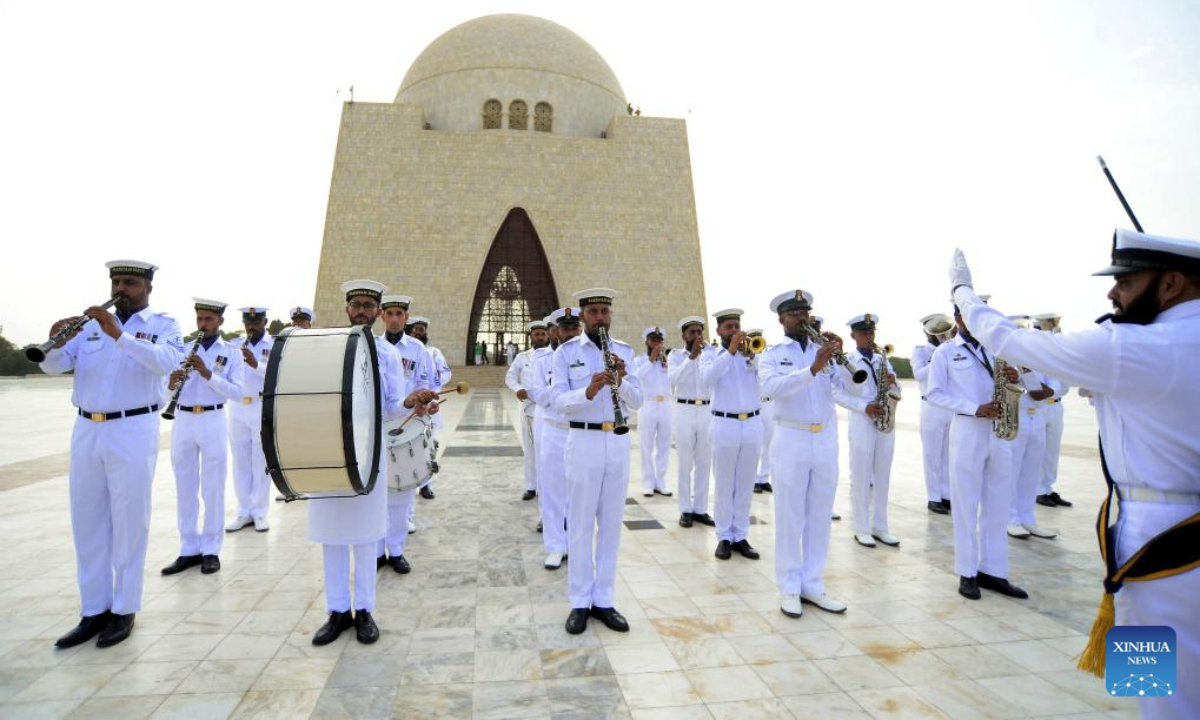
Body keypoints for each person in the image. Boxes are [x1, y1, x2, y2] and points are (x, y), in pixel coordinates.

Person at [951, 233, 1200, 718]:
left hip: (1161, 541)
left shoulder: (1136, 345)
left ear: (1171, 283)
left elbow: (1010, 340)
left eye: (1125, 282)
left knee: (1160, 691)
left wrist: (964, 293)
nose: (1113, 294)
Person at [42, 260, 185, 649]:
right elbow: (55, 367)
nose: (122, 288)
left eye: (131, 283)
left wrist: (118, 334)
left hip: (133, 428)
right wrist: (54, 340)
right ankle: (94, 609)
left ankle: (124, 608)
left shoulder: (163, 325)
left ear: (148, 288)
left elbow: (167, 361)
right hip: (87, 427)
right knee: (87, 520)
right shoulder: (88, 326)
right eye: (117, 281)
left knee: (128, 519)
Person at [309, 280, 433, 646]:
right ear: (347, 309)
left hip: (370, 449)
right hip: (332, 447)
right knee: (332, 533)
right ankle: (336, 611)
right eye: (356, 304)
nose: (362, 310)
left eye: (368, 305)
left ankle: (363, 609)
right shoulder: (326, 347)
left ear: (378, 312)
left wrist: (410, 402)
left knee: (365, 534)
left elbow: (393, 404)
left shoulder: (387, 354)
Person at [551, 289, 642, 634]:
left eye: (605, 311)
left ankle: (604, 599)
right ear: (583, 316)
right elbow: (559, 401)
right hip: (583, 440)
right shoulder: (566, 353)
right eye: (594, 312)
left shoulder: (624, 352)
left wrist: (619, 380)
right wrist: (587, 392)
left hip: (616, 442)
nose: (600, 317)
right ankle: (579, 601)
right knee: (580, 523)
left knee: (611, 524)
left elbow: (638, 400)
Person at [925, 301, 1028, 602]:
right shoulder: (945, 352)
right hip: (968, 431)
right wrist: (974, 408)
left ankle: (993, 570)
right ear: (958, 317)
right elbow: (933, 394)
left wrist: (1014, 377)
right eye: (968, 314)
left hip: (999, 433)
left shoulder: (997, 348)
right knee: (966, 504)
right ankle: (967, 571)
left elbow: (1020, 381)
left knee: (998, 504)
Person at [759, 289, 849, 617]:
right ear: (781, 319)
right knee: (790, 515)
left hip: (824, 438)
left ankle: (813, 583)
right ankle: (789, 587)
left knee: (820, 514)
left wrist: (840, 355)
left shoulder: (822, 349)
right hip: (791, 437)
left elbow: (850, 387)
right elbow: (770, 389)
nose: (802, 317)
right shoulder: (772, 354)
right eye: (795, 312)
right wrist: (812, 369)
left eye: (805, 311)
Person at [162, 298, 243, 577]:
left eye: (208, 320)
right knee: (185, 486)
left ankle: (211, 549)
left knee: (213, 487)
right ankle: (188, 548)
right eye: (199, 319)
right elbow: (164, 393)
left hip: (213, 419)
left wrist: (208, 374)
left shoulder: (232, 353)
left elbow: (238, 393)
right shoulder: (182, 349)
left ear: (220, 321)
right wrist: (171, 384)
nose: (203, 325)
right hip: (182, 418)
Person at [376, 295, 433, 569]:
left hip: (406, 423)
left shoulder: (418, 349)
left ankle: (396, 550)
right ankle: (375, 551)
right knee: (375, 492)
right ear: (382, 316)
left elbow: (424, 381)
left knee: (401, 492)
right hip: (376, 425)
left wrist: (422, 401)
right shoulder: (371, 346)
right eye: (390, 313)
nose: (395, 318)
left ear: (406, 318)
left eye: (400, 313)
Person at [701, 308, 763, 561]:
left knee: (746, 482)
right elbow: (707, 379)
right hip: (724, 423)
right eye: (728, 327)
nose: (734, 331)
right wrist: (730, 352)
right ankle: (724, 536)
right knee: (725, 483)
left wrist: (751, 355)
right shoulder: (711, 355)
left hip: (752, 423)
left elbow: (764, 377)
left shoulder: (753, 353)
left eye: (736, 326)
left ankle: (741, 535)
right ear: (718, 331)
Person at [839, 314, 902, 548]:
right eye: (864, 333)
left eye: (871, 332)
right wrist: (862, 406)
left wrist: (894, 382)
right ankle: (861, 527)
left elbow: (898, 389)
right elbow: (836, 392)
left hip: (885, 418)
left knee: (883, 476)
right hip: (862, 419)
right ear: (853, 335)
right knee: (862, 476)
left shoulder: (882, 358)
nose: (869, 336)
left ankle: (881, 526)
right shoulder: (846, 361)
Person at [529, 309, 581, 569]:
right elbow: (538, 394)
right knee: (551, 490)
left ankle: (574, 543)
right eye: (565, 329)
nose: (570, 333)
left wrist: (565, 396)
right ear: (556, 332)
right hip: (553, 429)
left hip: (579, 430)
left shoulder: (588, 357)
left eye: (574, 328)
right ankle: (555, 546)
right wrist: (568, 395)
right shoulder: (541, 361)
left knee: (578, 491)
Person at [226, 307, 273, 532]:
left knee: (260, 460)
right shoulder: (234, 345)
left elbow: (277, 375)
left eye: (255, 322)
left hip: (260, 404)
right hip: (237, 407)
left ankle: (260, 511)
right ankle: (244, 510)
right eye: (247, 322)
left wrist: (255, 363)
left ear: (265, 321)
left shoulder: (272, 345)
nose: (251, 327)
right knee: (240, 460)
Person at [1004, 351, 1058, 541]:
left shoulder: (1036, 360)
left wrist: (1024, 376)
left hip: (1037, 417)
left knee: (1031, 472)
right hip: (1015, 415)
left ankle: (1027, 518)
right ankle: (1010, 519)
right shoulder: (1001, 360)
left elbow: (1047, 392)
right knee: (1012, 471)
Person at [668, 316, 716, 528]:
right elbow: (672, 380)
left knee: (704, 462)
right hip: (684, 409)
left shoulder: (712, 355)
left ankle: (701, 508)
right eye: (692, 333)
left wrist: (703, 356)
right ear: (683, 336)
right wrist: (691, 359)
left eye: (699, 332)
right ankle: (685, 509)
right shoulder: (676, 356)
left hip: (706, 409)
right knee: (685, 462)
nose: (696, 336)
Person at [1030, 313, 1073, 508]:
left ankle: (1048, 488)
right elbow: (1037, 387)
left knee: (1052, 450)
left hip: (1056, 405)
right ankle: (1038, 490)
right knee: (1038, 449)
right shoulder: (1032, 356)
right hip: (1040, 407)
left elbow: (1064, 384)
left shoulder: (1057, 356)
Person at [913, 314, 954, 515]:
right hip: (931, 407)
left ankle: (947, 495)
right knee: (932, 454)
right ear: (926, 332)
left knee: (948, 454)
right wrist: (938, 357)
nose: (942, 334)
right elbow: (918, 374)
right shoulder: (921, 351)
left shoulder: (951, 349)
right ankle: (933, 497)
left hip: (950, 406)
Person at [407, 316, 450, 502]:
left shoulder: (433, 352)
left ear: (426, 333)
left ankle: (425, 485)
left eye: (421, 330)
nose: (418, 332)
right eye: (415, 329)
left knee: (427, 445)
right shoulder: (403, 351)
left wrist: (432, 393)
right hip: (406, 406)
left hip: (427, 405)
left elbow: (445, 373)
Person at [506, 321, 548, 502]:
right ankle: (531, 486)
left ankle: (547, 486)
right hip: (529, 408)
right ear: (531, 337)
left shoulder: (556, 355)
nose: (539, 337)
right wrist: (517, 389)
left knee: (548, 450)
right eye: (536, 334)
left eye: (542, 334)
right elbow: (510, 377)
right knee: (530, 448)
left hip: (549, 409)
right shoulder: (522, 357)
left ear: (548, 336)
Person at [633, 326, 672, 497]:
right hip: (647, 404)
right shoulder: (640, 360)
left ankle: (661, 481)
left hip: (665, 405)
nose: (656, 343)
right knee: (646, 445)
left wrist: (665, 362)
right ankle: (648, 481)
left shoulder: (668, 361)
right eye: (653, 340)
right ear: (646, 342)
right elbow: (638, 377)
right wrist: (652, 359)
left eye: (659, 340)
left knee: (664, 445)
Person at [750, 329, 774, 494]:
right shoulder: (747, 359)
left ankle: (764, 477)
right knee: (756, 444)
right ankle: (753, 479)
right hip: (755, 405)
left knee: (769, 443)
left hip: (769, 404)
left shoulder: (766, 358)